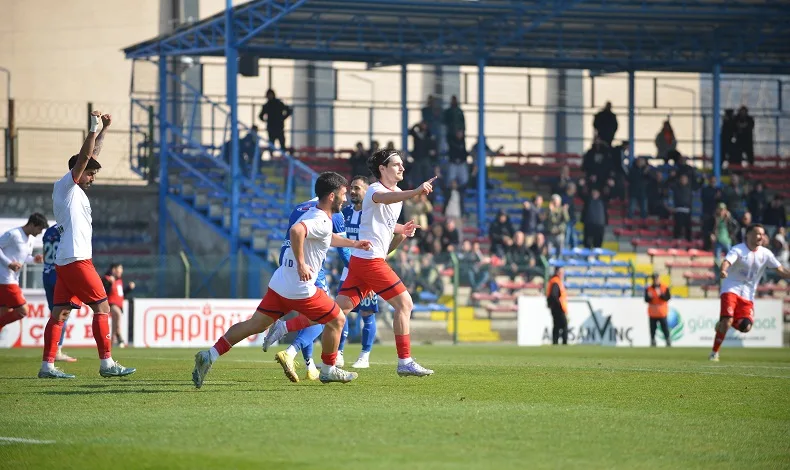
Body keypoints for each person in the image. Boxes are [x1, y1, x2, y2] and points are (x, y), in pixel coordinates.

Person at [264, 150, 436, 377]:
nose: (402, 168)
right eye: (396, 164)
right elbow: (385, 199)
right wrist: (415, 192)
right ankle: (404, 361)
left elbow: (384, 221)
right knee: (405, 304)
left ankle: (285, 328)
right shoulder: (375, 189)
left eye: (402, 164)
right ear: (382, 169)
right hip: (371, 261)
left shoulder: (394, 193)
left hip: (361, 261)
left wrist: (401, 229)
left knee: (335, 312)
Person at [192, 172, 372, 388]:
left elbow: (324, 236)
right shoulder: (322, 219)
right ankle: (328, 369)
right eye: (343, 194)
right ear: (332, 196)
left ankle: (210, 355)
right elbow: (297, 231)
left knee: (255, 324)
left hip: (280, 282)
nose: (345, 198)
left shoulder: (313, 213)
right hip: (299, 287)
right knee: (337, 319)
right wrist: (302, 263)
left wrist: (354, 244)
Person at [40, 112, 136, 379]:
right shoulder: (66, 186)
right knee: (102, 308)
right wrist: (92, 129)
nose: (93, 177)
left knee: (59, 314)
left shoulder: (74, 191)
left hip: (66, 260)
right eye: (90, 174)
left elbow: (91, 156)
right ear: (79, 172)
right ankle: (107, 364)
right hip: (77, 259)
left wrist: (104, 130)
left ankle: (47, 366)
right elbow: (84, 158)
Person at [711, 224, 790, 361]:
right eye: (758, 233)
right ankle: (714, 352)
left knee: (746, 327)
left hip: (748, 294)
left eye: (763, 234)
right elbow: (727, 261)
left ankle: (723, 323)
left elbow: (781, 269)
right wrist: (723, 270)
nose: (761, 236)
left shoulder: (765, 253)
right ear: (748, 235)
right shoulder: (738, 249)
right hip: (731, 289)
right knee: (728, 320)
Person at [0, 213, 48, 334]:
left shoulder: (31, 239)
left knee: (3, 312)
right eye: (39, 229)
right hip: (6, 279)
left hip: (12, 279)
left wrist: (34, 259)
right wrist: (9, 263)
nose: (40, 232)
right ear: (32, 225)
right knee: (23, 311)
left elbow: (24, 257)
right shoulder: (13, 234)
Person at [41, 223, 77, 362]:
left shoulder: (48, 231)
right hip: (59, 275)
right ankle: (56, 351)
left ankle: (51, 351)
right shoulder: (68, 228)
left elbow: (45, 254)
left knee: (54, 315)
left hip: (46, 274)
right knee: (62, 315)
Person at [102, 263, 135, 348]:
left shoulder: (119, 281)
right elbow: (104, 291)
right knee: (118, 314)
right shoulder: (107, 279)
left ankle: (112, 340)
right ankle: (119, 334)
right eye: (119, 269)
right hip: (111, 303)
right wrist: (109, 283)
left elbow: (121, 294)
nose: (121, 271)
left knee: (114, 322)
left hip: (119, 304)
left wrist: (129, 288)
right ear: (114, 270)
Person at [258, 89, 292, 153]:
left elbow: (288, 111)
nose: (269, 96)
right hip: (273, 127)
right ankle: (273, 155)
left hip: (278, 127)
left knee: (281, 143)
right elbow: (260, 116)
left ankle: (282, 155)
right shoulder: (268, 105)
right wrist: (266, 120)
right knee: (272, 144)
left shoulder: (278, 103)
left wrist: (282, 118)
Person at [644, 274, 671, 347]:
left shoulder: (664, 287)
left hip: (662, 313)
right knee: (652, 329)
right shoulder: (648, 288)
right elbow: (646, 299)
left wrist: (661, 295)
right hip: (652, 313)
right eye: (654, 279)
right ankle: (653, 341)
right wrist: (649, 297)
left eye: (656, 278)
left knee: (665, 328)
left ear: (659, 279)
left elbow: (668, 297)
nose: (655, 280)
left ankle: (668, 340)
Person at [546, 268, 568, 345]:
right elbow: (554, 295)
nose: (562, 274)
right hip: (558, 307)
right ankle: (564, 343)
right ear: (557, 272)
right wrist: (559, 304)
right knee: (564, 325)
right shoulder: (556, 281)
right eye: (561, 272)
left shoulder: (555, 281)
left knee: (557, 326)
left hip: (555, 307)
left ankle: (555, 343)